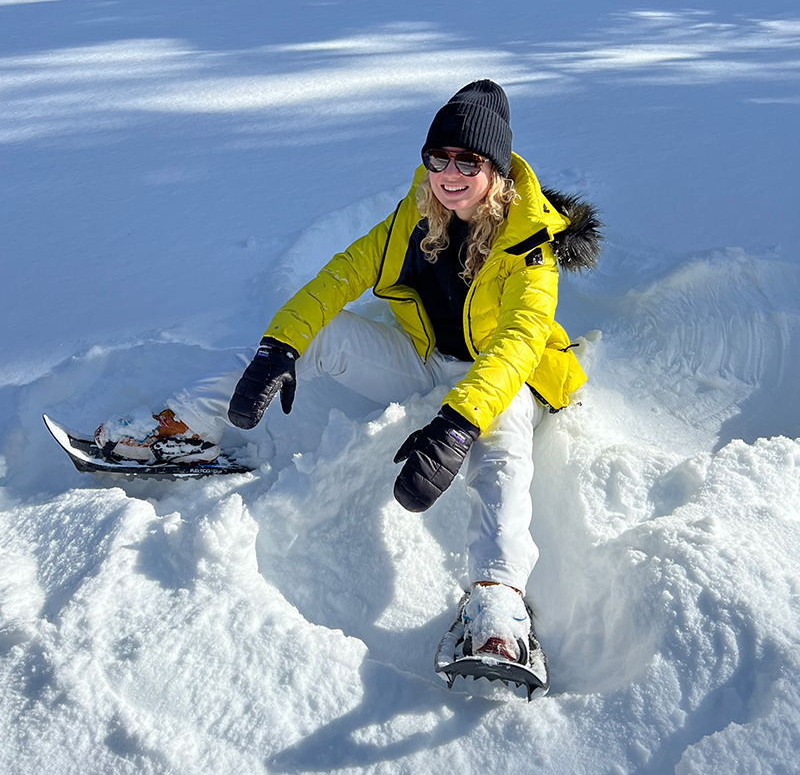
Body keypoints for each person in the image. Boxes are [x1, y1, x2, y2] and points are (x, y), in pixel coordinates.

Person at [95, 80, 601, 681]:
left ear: (494, 168)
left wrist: (459, 423)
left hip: (507, 376)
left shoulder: (531, 243)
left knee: (501, 446)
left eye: (467, 160)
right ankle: (181, 427)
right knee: (320, 335)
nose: (449, 172)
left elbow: (518, 344)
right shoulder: (417, 215)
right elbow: (341, 274)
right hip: (426, 359)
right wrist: (279, 346)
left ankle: (498, 597)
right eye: (438, 157)